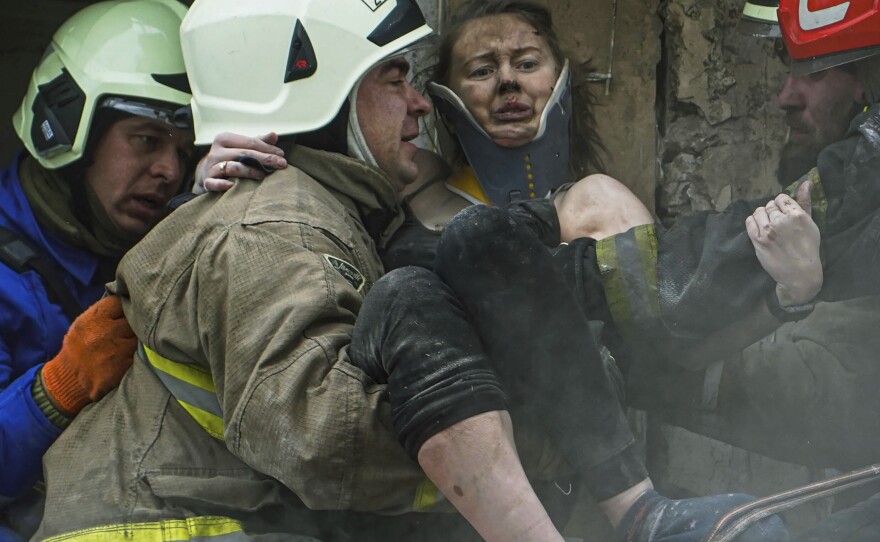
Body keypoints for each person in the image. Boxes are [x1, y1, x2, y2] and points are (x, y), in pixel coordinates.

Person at [34, 1, 791, 541]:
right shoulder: (276, 225)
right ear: (316, 90)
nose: (419, 105)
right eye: (393, 78)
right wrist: (544, 442)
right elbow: (323, 441)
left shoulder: (329, 212)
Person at [0, 1, 289, 538]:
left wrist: (203, 207)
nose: (168, 170)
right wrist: (60, 387)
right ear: (65, 128)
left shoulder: (143, 229)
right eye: (146, 139)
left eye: (184, 151)